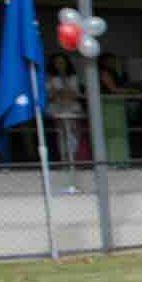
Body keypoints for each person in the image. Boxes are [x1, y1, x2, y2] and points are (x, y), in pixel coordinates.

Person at [46, 52, 83, 191]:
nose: (60, 65)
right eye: (57, 62)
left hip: (72, 109)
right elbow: (51, 95)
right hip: (58, 110)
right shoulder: (50, 78)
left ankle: (72, 159)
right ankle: (63, 161)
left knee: (74, 135)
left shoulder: (73, 77)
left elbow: (75, 94)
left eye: (62, 62)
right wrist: (59, 90)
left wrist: (64, 87)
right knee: (61, 135)